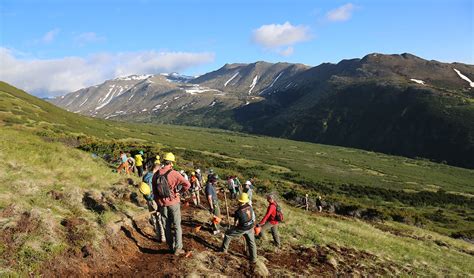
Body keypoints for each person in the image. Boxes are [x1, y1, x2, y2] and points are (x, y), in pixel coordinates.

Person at [152, 152, 191, 255]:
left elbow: (155, 193)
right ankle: (178, 249)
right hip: (174, 203)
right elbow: (187, 184)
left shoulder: (156, 174)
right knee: (177, 226)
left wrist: (159, 203)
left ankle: (171, 246)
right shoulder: (174, 173)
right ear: (172, 163)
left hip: (162, 204)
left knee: (166, 226)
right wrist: (180, 192)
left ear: (163, 161)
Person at [220, 193, 257, 263]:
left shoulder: (238, 211)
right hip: (251, 227)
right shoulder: (250, 206)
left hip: (242, 228)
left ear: (239, 201)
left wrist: (234, 227)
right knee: (252, 243)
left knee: (228, 234)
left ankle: (223, 251)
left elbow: (236, 223)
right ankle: (254, 259)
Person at [139, 171, 166, 243]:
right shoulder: (156, 177)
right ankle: (163, 237)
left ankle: (158, 235)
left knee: (154, 218)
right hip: (155, 200)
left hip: (148, 200)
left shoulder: (146, 175)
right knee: (159, 218)